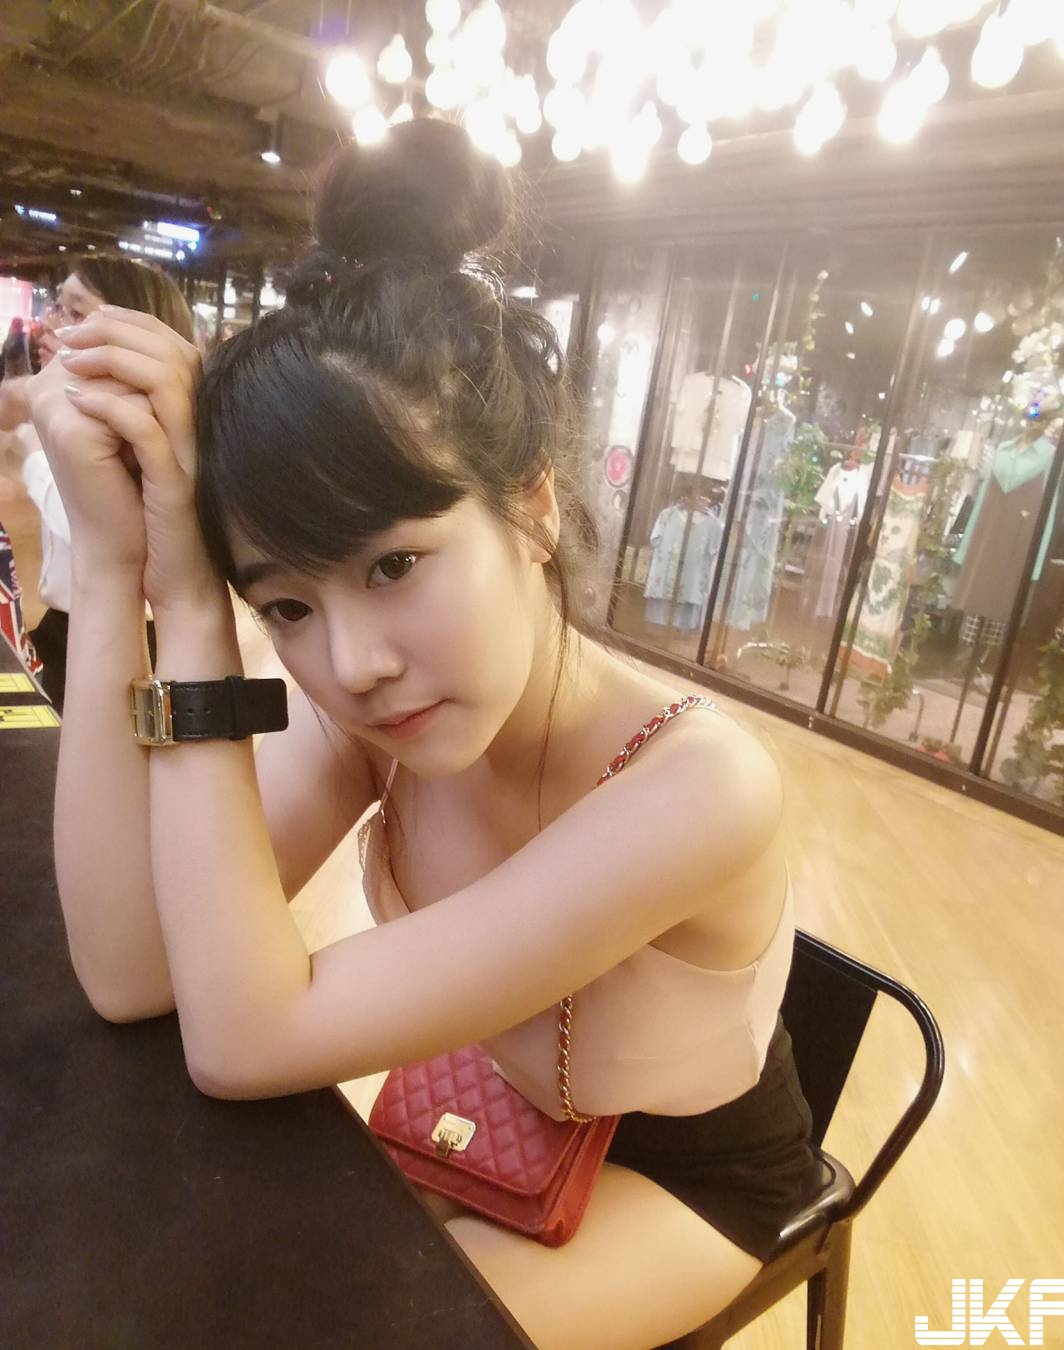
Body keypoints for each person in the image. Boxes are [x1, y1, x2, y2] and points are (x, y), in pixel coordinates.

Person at [25, 119, 819, 1350]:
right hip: (497, 1111)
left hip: (685, 1179)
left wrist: (190, 598)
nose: (354, 663)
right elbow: (133, 973)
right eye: (286, 605)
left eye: (393, 564)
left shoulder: (700, 785)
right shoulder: (390, 722)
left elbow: (241, 1038)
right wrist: (119, 563)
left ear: (532, 505)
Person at [4, 258, 192, 709]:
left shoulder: (148, 430)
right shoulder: (70, 410)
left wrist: (29, 455)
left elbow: (94, 527)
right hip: (65, 625)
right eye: (56, 307)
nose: (50, 324)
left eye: (75, 311)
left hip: (129, 639)